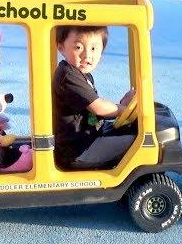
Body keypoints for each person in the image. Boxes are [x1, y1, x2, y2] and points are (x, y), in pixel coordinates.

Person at [53, 25, 136, 169]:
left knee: (126, 130)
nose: (87, 55)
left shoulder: (82, 75)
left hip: (89, 136)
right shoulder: (68, 75)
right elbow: (98, 107)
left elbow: (92, 109)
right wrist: (123, 109)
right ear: (61, 48)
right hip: (78, 150)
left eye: (93, 48)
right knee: (139, 140)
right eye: (78, 47)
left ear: (101, 51)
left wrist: (122, 105)